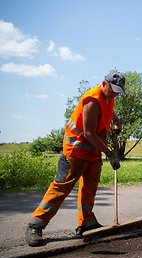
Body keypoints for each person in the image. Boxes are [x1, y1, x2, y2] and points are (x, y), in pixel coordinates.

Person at [25, 71, 127, 247]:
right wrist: (110, 153)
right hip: (75, 151)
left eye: (118, 91)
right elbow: (88, 133)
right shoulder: (92, 100)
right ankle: (36, 224)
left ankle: (86, 222)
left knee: (90, 187)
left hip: (93, 151)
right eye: (113, 90)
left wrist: (116, 120)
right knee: (61, 188)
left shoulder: (109, 96)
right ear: (105, 84)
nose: (115, 94)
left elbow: (108, 108)